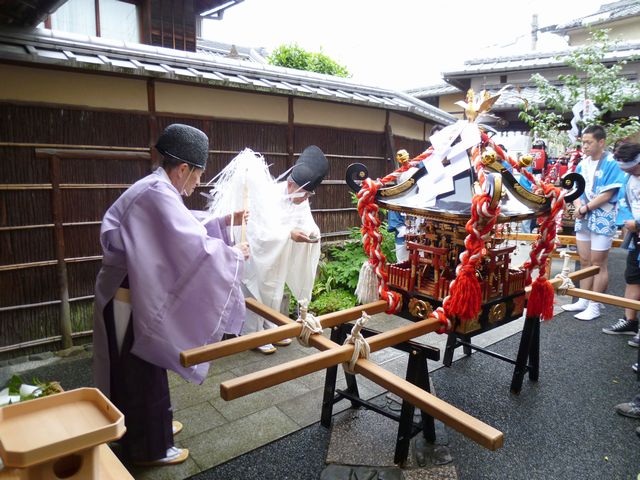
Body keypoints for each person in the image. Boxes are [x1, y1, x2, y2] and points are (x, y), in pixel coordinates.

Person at [93, 124, 249, 466]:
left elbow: (182, 227)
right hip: (125, 296)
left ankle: (152, 427)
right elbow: (189, 243)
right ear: (183, 169)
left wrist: (224, 220)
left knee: (141, 364)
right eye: (197, 174)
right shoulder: (157, 193)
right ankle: (148, 446)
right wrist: (234, 253)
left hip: (129, 291)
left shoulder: (156, 189)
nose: (197, 182)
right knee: (141, 366)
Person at [242, 145, 329, 354]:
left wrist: (313, 234)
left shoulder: (300, 199)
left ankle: (272, 328)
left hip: (280, 253)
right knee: (257, 291)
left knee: (275, 289)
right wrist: (289, 234)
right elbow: (257, 229)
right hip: (259, 253)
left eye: (310, 195)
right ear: (290, 185)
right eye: (304, 194)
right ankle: (255, 335)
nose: (305, 199)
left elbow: (305, 221)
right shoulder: (268, 194)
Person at [562, 125, 626, 320]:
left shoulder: (612, 163)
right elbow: (575, 188)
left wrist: (585, 208)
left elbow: (609, 193)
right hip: (583, 215)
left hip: (602, 216)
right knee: (584, 260)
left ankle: (595, 304)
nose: (585, 146)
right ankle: (583, 298)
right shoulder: (582, 164)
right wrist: (579, 206)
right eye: (583, 142)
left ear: (601, 142)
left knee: (599, 263)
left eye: (589, 142)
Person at [602, 142, 640, 340]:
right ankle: (630, 320)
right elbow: (625, 204)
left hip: (637, 227)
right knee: (632, 277)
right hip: (636, 236)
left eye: (632, 167)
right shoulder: (628, 179)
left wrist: (638, 223)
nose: (629, 171)